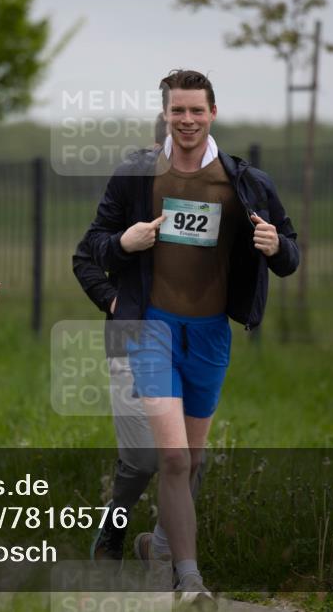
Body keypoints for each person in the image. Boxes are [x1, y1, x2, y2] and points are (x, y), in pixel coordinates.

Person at [81, 70, 300, 604]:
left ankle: (155, 546)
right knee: (173, 459)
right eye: (177, 110)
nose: (187, 120)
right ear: (165, 115)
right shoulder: (137, 175)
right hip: (152, 329)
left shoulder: (245, 183)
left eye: (196, 110)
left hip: (209, 335)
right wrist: (124, 246)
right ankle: (190, 580)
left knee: (192, 462)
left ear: (213, 113)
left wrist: (276, 247)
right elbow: (92, 246)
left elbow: (290, 254)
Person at [74, 112, 207, 574]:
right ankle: (114, 526)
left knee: (189, 455)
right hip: (132, 338)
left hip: (188, 343)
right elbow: (84, 257)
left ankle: (163, 549)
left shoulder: (210, 196)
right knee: (144, 457)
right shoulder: (131, 188)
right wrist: (115, 300)